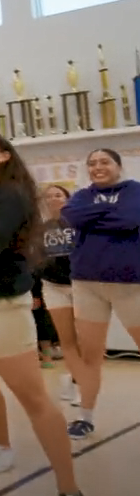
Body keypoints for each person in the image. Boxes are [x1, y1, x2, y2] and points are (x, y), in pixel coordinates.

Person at [0, 130, 85, 496]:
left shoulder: (11, 194)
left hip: (1, 305)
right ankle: (1, 445)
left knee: (32, 397)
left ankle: (69, 489)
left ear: (2, 154)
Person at [59, 147, 140, 441]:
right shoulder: (81, 195)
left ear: (118, 165)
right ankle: (85, 417)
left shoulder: (134, 191)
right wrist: (107, 215)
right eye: (92, 163)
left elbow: (130, 219)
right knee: (90, 355)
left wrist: (93, 218)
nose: (97, 167)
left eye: (104, 162)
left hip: (130, 285)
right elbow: (71, 215)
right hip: (87, 284)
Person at [35, 185, 84, 406]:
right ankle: (77, 382)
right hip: (53, 286)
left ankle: (79, 381)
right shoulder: (39, 229)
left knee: (86, 339)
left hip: (81, 284)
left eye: (58, 195)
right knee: (67, 339)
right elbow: (34, 263)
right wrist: (35, 292)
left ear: (67, 198)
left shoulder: (79, 224)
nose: (54, 199)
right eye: (48, 196)